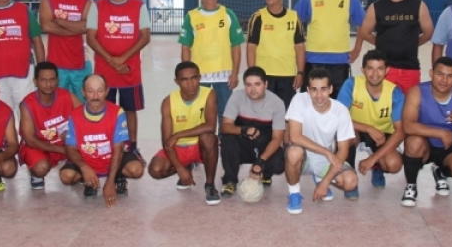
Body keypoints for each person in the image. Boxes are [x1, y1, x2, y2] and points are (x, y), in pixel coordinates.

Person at [86, 0, 151, 162]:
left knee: (130, 110)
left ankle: (132, 148)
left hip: (130, 70)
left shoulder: (138, 6)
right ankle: (105, 148)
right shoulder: (97, 6)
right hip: (104, 71)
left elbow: (145, 37)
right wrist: (112, 61)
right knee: (104, 109)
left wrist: (122, 59)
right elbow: (91, 38)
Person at [400, 57, 452, 207]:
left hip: (450, 144)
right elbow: (408, 126)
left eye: (450, 76)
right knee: (413, 142)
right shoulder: (417, 92)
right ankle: (411, 185)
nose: (444, 80)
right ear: (431, 73)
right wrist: (441, 133)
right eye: (440, 74)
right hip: (424, 142)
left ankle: (441, 172)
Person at [60, 74, 144, 204]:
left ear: (106, 91)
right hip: (87, 158)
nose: (95, 96)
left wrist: (110, 182)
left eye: (100, 91)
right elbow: (70, 147)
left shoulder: (117, 112)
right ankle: (89, 180)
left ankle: (118, 177)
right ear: (83, 92)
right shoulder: (74, 115)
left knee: (136, 170)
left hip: (111, 158)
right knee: (66, 176)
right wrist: (84, 167)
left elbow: (118, 148)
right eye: (90, 91)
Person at [284, 68, 358, 214]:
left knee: (350, 182)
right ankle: (294, 193)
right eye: (314, 89)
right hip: (304, 155)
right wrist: (327, 152)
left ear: (330, 89)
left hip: (324, 160)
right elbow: (295, 137)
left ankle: (320, 177)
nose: (319, 95)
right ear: (308, 90)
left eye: (323, 89)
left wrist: (325, 183)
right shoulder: (299, 100)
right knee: (293, 152)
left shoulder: (341, 111)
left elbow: (343, 151)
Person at [147, 62, 221, 205]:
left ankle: (210, 185)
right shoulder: (168, 102)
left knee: (210, 138)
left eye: (194, 78)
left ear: (199, 78)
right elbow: (167, 142)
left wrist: (178, 135)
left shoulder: (209, 94)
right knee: (155, 170)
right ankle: (186, 166)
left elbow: (211, 126)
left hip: (200, 145)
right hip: (178, 148)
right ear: (177, 81)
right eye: (184, 80)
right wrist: (180, 169)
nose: (190, 84)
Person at [337, 50, 405, 198]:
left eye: (380, 68)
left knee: (394, 164)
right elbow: (338, 117)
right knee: (346, 137)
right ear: (363, 70)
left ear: (387, 70)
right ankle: (350, 177)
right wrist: (368, 128)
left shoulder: (395, 92)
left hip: (381, 135)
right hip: (356, 130)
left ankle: (377, 166)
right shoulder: (352, 84)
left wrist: (372, 159)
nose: (375, 73)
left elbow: (400, 131)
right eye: (370, 68)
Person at [294, 0, 365, 99]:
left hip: (340, 62)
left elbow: (363, 23)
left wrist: (357, 49)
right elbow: (294, 22)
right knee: (310, 102)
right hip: (313, 60)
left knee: (339, 103)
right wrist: (299, 49)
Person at [179, 0, 245, 129]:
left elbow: (236, 47)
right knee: (200, 115)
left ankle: (224, 142)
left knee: (225, 114)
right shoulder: (191, 16)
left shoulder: (228, 14)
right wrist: (187, 75)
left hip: (224, 76)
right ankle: (202, 142)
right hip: (199, 76)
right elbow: (185, 47)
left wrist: (235, 73)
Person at [356, 0, 433, 94]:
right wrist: (381, 42)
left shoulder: (418, 5)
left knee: (410, 104)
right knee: (383, 104)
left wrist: (412, 43)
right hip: (384, 69)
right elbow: (364, 32)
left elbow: (428, 33)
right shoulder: (376, 7)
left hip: (410, 68)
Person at [220, 66, 286, 196]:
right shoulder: (237, 97)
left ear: (266, 84)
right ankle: (230, 181)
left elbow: (277, 138)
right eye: (248, 85)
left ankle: (265, 174)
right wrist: (242, 130)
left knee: (279, 161)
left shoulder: (277, 103)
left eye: (257, 84)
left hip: (264, 146)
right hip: (243, 146)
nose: (253, 89)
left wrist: (261, 161)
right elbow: (225, 127)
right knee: (227, 140)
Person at [19, 62, 82, 189]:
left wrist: (72, 132)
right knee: (41, 168)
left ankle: (73, 167)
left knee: (91, 151)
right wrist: (62, 150)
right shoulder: (27, 104)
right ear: (35, 81)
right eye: (43, 80)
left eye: (52, 80)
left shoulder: (67, 96)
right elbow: (30, 140)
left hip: (63, 144)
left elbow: (86, 118)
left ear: (57, 80)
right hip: (39, 146)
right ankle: (36, 173)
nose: (48, 84)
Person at [247, 0, 305, 108]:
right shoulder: (258, 17)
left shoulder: (294, 17)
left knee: (285, 113)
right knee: (263, 113)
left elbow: (300, 47)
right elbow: (251, 47)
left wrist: (300, 72)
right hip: (264, 76)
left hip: (288, 76)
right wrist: (252, 73)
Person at [40, 0, 93, 100]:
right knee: (58, 104)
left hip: (81, 63)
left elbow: (87, 27)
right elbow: (46, 26)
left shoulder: (86, 0)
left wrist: (62, 22)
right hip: (56, 64)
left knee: (82, 104)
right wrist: (77, 28)